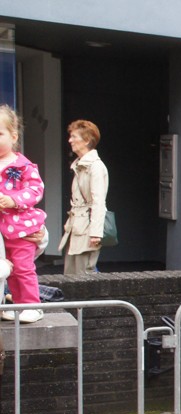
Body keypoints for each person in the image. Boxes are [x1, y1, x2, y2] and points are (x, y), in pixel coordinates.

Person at [0, 106, 46, 323]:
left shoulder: (23, 165)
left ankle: (31, 306)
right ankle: (18, 306)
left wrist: (14, 200)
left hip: (19, 227)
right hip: (3, 231)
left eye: (0, 134)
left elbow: (36, 189)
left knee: (22, 268)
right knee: (8, 271)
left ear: (14, 136)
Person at [58, 120, 108, 275]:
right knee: (70, 274)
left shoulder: (95, 167)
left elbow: (99, 202)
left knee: (84, 275)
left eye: (74, 136)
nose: (70, 140)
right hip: (76, 227)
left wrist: (96, 233)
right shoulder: (80, 165)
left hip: (86, 228)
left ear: (86, 140)